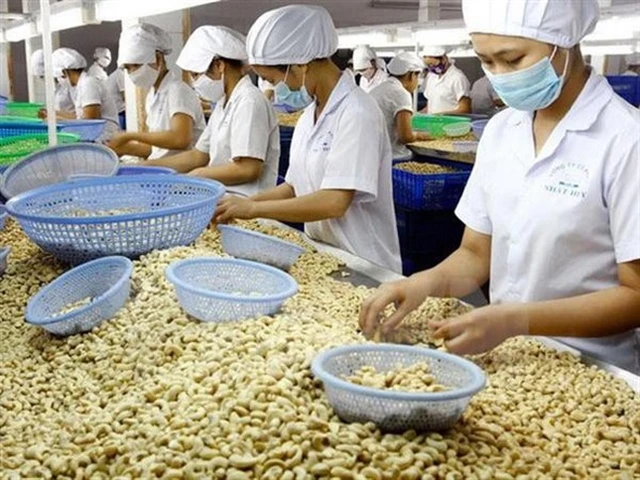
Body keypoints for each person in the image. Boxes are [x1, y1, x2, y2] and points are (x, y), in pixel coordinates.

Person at [360, 0, 640, 373]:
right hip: (505, 358)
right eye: (487, 61)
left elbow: (634, 296)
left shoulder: (626, 139)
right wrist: (423, 284)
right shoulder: (501, 131)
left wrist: (515, 320)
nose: (500, 76)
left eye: (512, 59)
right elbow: (476, 253)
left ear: (565, 41)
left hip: (593, 367)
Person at [215, 5, 402, 273]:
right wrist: (240, 206)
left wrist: (254, 208)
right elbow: (293, 186)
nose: (276, 89)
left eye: (273, 79)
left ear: (300, 64)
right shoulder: (309, 115)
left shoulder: (357, 112)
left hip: (364, 261)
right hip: (326, 254)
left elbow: (334, 201)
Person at [145, 26, 279, 198]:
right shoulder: (224, 103)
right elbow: (198, 156)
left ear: (218, 65)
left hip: (246, 204)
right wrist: (150, 168)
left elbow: (248, 169)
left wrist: (196, 176)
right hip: (222, 199)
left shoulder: (249, 101)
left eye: (196, 75)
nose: (194, 83)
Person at [108, 23, 205, 161]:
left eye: (136, 65)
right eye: (128, 68)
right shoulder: (153, 95)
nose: (132, 73)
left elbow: (180, 139)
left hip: (182, 174)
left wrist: (129, 135)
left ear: (158, 59)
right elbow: (157, 149)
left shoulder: (178, 90)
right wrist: (121, 148)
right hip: (165, 171)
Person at [369, 51, 431, 161]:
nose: (418, 82)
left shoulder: (380, 89)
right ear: (411, 75)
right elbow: (405, 137)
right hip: (393, 157)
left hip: (373, 154)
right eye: (418, 76)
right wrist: (420, 135)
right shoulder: (401, 93)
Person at [50, 47, 120, 141]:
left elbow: (90, 122)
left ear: (64, 72)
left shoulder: (88, 84)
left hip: (105, 137)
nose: (59, 80)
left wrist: (59, 120)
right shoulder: (79, 87)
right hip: (96, 136)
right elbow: (80, 117)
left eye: (58, 77)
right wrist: (54, 115)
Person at [421, 46, 471, 114]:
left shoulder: (458, 78)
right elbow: (431, 106)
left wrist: (442, 115)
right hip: (434, 123)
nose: (432, 68)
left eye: (433, 64)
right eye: (429, 65)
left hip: (451, 123)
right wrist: (419, 114)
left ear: (444, 59)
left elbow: (465, 109)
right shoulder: (431, 77)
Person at [30, 49, 75, 114]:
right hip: (59, 121)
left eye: (42, 76)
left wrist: (54, 114)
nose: (43, 79)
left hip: (72, 122)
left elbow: (80, 113)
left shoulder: (68, 83)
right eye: (40, 77)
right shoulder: (54, 86)